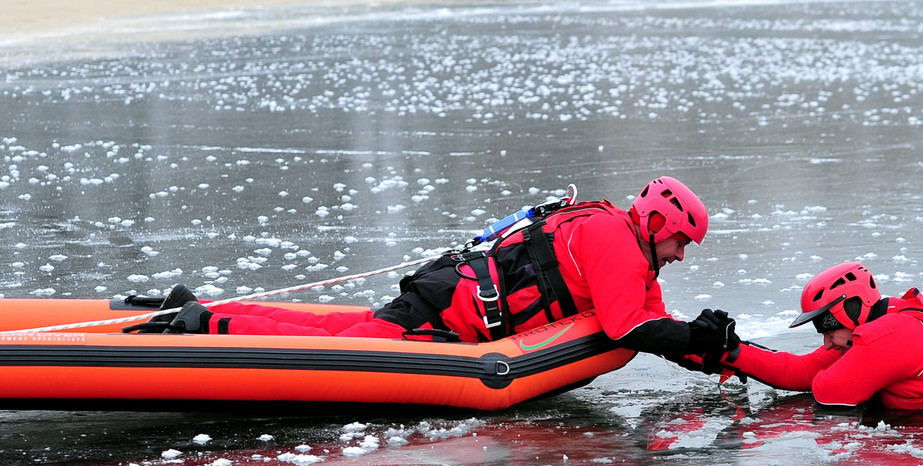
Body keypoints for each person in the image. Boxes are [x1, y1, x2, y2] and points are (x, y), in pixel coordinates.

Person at [129, 176, 740, 366]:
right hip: (448, 309)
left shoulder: (622, 241)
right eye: (683, 242)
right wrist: (697, 340)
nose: (682, 255)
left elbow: (649, 318)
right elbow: (628, 328)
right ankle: (204, 321)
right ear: (659, 224)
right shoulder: (613, 239)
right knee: (339, 347)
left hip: (454, 297)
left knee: (351, 331)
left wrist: (712, 344)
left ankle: (202, 308)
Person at [720, 261, 923, 413]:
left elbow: (828, 390)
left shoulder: (888, 335)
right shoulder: (886, 320)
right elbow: (803, 370)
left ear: (852, 307)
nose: (826, 341)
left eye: (828, 327)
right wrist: (726, 350)